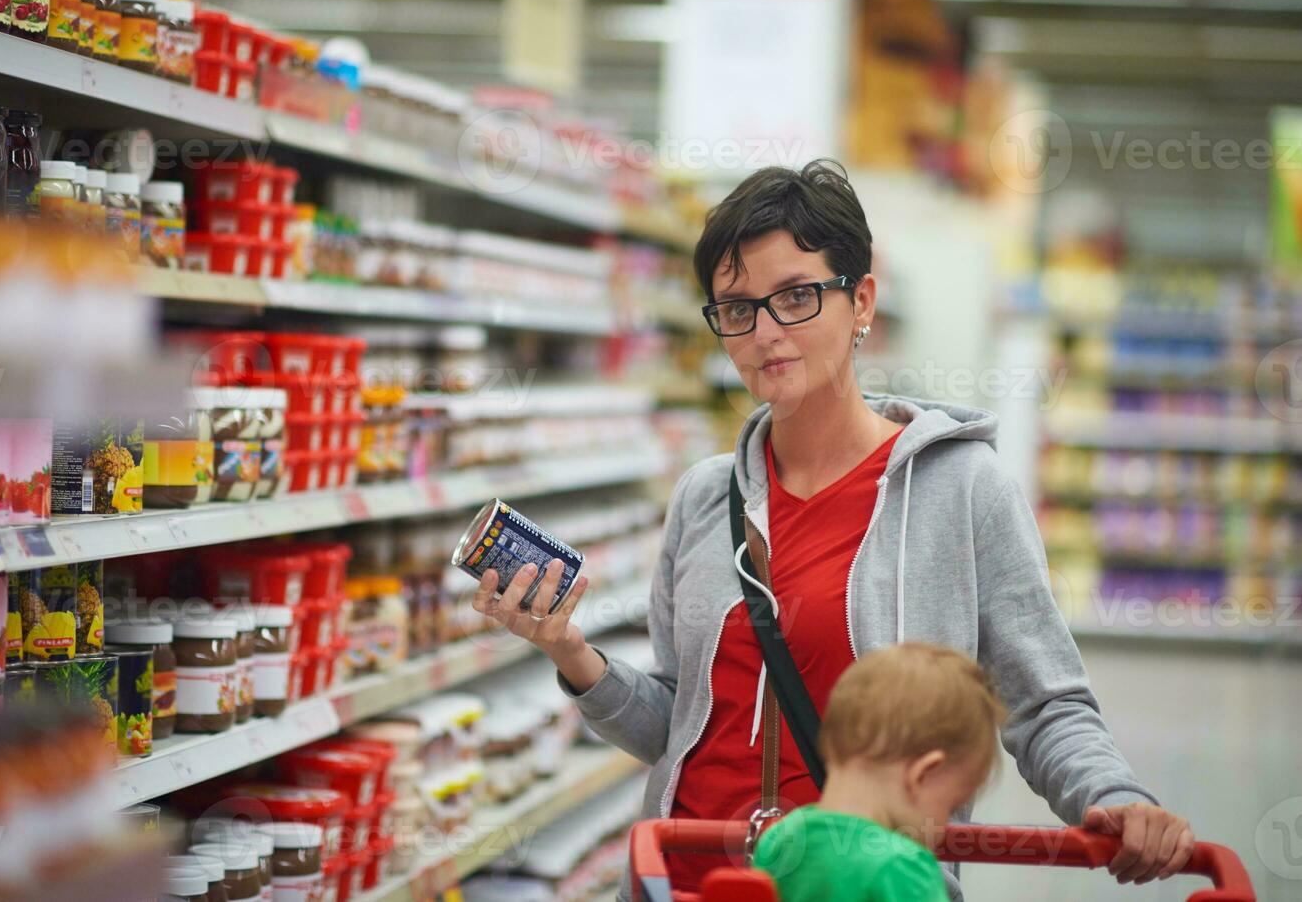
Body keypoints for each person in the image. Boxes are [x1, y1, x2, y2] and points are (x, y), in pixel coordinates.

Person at [470, 160, 1195, 900]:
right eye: (737, 307)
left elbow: (1045, 705)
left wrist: (1113, 794)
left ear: (861, 302)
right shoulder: (702, 498)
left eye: (795, 296)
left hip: (859, 885)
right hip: (686, 881)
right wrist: (571, 653)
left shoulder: (960, 490)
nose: (764, 332)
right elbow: (674, 726)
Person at [751, 642, 1007, 902]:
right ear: (923, 774)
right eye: (952, 805)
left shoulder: (778, 842)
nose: (944, 828)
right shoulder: (904, 871)